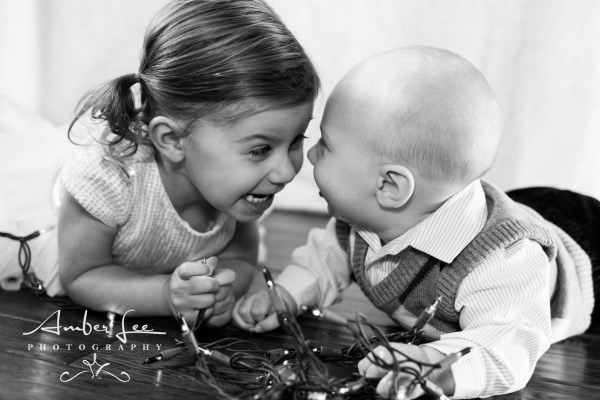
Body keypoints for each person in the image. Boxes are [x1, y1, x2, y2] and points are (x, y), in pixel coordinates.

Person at [233, 46, 598, 398]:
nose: (311, 154)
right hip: (525, 203)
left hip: (587, 246)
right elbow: (324, 258)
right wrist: (286, 295)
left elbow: (508, 344)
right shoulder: (358, 222)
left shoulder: (501, 261)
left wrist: (438, 365)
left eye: (325, 145)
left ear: (389, 186)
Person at [0, 0, 319, 328]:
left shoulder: (235, 191)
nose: (286, 172)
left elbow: (239, 256)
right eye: (260, 150)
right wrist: (165, 295)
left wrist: (221, 291)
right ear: (172, 140)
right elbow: (83, 276)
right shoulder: (106, 180)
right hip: (56, 235)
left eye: (296, 139)